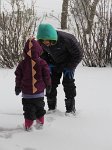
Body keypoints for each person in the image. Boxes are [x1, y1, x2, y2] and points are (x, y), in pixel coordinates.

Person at [36, 23, 83, 116]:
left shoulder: (68, 39)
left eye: (47, 41)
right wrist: (48, 63)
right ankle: (52, 108)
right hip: (54, 63)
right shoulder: (41, 42)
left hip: (68, 63)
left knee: (68, 84)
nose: (46, 44)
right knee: (50, 84)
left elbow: (78, 54)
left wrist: (70, 67)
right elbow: (42, 54)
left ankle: (70, 109)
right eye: (44, 42)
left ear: (52, 38)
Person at [15, 38, 51, 131]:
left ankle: (28, 125)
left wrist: (17, 86)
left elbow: (18, 76)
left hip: (27, 94)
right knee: (40, 108)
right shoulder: (42, 62)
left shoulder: (22, 64)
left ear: (25, 51)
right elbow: (47, 75)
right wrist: (48, 85)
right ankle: (40, 123)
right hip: (39, 93)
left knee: (28, 110)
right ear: (39, 50)